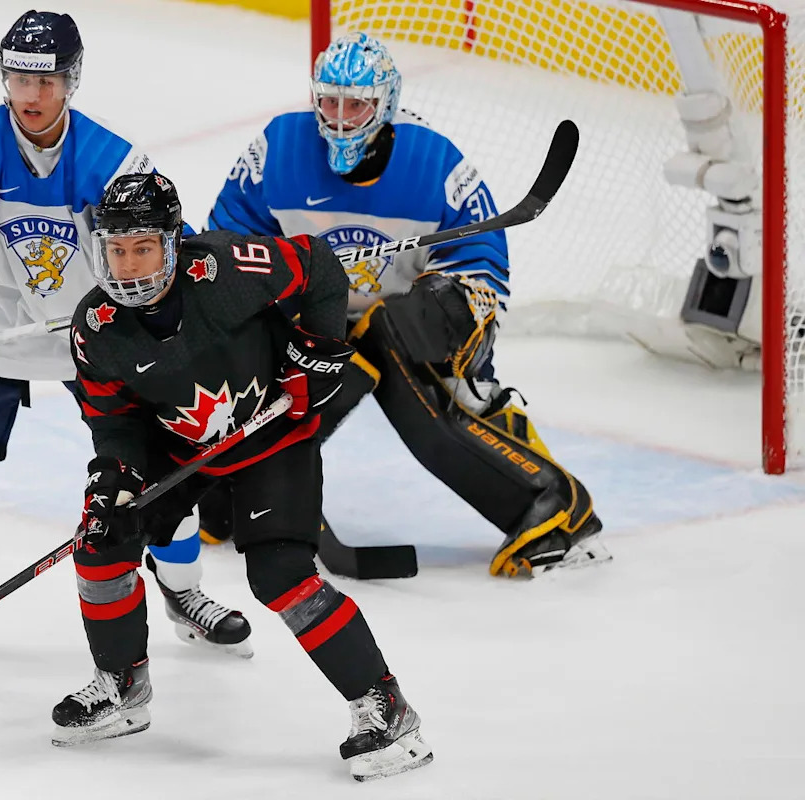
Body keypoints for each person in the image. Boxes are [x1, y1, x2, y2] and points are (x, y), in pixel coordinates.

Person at [0, 9, 250, 658]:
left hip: (101, 337)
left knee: (162, 465)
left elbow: (164, 253)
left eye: (46, 81)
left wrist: (161, 313)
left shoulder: (112, 161)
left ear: (71, 81)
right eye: (20, 79)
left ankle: (184, 590)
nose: (32, 95)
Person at [53, 171, 432, 783]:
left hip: (273, 434)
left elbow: (320, 266)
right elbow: (114, 421)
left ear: (173, 242)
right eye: (116, 250)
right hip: (181, 447)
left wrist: (317, 351)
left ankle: (387, 709)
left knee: (280, 574)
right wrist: (116, 479)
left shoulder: (227, 268)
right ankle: (122, 687)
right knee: (100, 544)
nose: (128, 266)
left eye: (143, 248)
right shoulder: (94, 326)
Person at [200, 31, 607, 578]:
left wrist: (446, 305)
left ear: (385, 104)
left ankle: (553, 509)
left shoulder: (433, 161)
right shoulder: (279, 148)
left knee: (412, 353)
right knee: (241, 367)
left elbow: (481, 261)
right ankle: (235, 491)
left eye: (355, 105)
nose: (339, 119)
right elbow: (228, 242)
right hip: (316, 317)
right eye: (329, 102)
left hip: (405, 323)